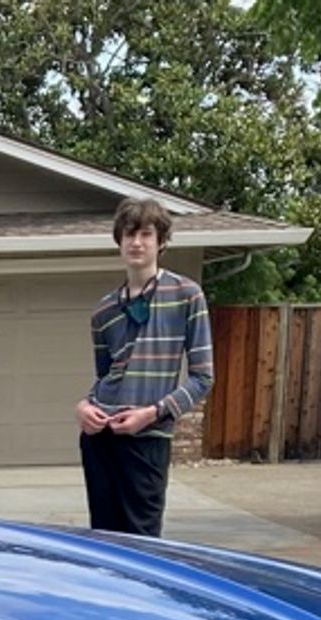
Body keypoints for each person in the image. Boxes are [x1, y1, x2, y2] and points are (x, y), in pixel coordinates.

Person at [77, 199, 212, 537]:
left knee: (143, 539)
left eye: (146, 234)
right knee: (106, 540)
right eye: (128, 234)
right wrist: (84, 406)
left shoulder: (186, 295)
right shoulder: (104, 310)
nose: (136, 242)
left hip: (147, 438)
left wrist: (152, 413)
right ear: (119, 241)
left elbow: (203, 378)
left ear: (161, 241)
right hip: (100, 438)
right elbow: (106, 376)